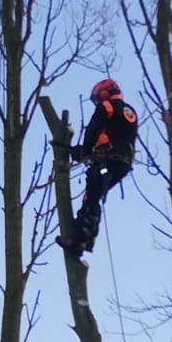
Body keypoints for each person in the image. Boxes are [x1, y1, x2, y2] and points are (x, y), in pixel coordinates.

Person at [60, 78, 138, 256]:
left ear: (104, 94)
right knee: (93, 195)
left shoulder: (106, 107)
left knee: (92, 197)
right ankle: (86, 237)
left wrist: (86, 151)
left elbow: (93, 132)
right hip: (123, 164)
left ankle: (80, 239)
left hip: (107, 162)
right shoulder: (130, 112)